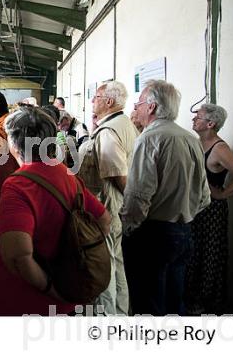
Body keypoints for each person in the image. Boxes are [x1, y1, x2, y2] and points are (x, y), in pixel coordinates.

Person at [0, 106, 110, 315]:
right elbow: (104, 221)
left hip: (24, 305)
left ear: (14, 144)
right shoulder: (67, 175)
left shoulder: (18, 186)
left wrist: (51, 289)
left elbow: (18, 257)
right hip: (68, 305)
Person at [120, 80, 211, 315]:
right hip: (183, 232)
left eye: (139, 103)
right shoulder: (191, 139)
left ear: (151, 107)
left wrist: (128, 228)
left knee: (148, 303)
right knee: (174, 301)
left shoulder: (149, 139)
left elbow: (138, 196)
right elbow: (204, 196)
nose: (136, 108)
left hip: (152, 235)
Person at [78, 81, 137, 315]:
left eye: (97, 96)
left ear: (109, 102)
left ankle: (107, 321)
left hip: (107, 209)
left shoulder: (109, 132)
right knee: (116, 264)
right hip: (116, 209)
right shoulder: (123, 124)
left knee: (103, 269)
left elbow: (118, 176)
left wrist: (130, 206)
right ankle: (121, 314)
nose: (93, 100)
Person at [186, 103, 233, 314]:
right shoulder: (197, 143)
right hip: (195, 209)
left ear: (210, 123)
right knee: (193, 254)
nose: (193, 120)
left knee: (209, 256)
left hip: (211, 213)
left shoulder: (220, 149)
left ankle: (206, 305)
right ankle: (192, 301)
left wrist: (223, 194)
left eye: (197, 117)